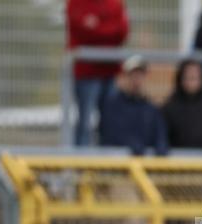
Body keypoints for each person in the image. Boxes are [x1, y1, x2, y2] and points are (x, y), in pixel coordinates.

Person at [66, 0, 129, 146]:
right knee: (85, 121)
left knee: (110, 121)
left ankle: (107, 156)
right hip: (86, 72)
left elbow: (122, 31)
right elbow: (81, 31)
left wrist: (97, 27)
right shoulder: (76, 3)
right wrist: (110, 29)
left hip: (110, 71)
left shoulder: (115, 3)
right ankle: (81, 158)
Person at [99, 55, 169, 156]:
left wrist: (161, 145)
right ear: (124, 78)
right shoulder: (112, 106)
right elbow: (110, 134)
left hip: (145, 163)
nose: (136, 80)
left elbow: (160, 134)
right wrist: (130, 144)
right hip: (119, 162)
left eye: (140, 75)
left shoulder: (151, 109)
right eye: (132, 75)